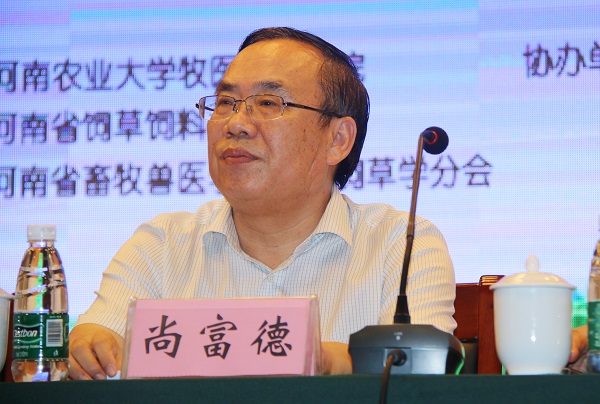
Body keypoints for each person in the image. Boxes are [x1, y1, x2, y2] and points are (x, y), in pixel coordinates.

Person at [68, 27, 456, 380]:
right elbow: (95, 337)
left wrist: (328, 360)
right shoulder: (162, 245)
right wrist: (88, 347)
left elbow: (420, 371)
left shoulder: (400, 244)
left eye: (269, 103)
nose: (236, 123)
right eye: (226, 102)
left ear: (337, 139)